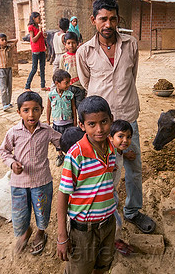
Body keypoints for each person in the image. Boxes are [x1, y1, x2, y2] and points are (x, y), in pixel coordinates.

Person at [77, 0, 155, 234]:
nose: (108, 24)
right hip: (103, 126)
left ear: (118, 19)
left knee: (134, 166)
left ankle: (132, 211)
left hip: (128, 118)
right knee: (106, 171)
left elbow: (132, 76)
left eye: (112, 19)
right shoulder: (84, 52)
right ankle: (109, 216)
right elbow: (85, 82)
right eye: (103, 19)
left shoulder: (131, 44)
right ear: (93, 20)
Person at [57, 95, 117, 274]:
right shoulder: (76, 155)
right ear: (82, 126)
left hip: (108, 224)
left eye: (104, 122)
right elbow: (63, 195)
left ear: (111, 120)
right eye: (92, 124)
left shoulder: (111, 148)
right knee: (80, 270)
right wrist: (62, 236)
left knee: (103, 265)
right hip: (84, 230)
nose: (99, 129)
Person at [0, 91, 62, 255]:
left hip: (42, 181)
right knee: (20, 212)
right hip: (19, 183)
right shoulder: (13, 132)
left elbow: (62, 142)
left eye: (35, 109)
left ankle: (41, 233)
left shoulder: (47, 130)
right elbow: (4, 151)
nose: (31, 114)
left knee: (42, 210)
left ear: (42, 110)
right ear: (18, 112)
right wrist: (12, 164)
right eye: (26, 110)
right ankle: (26, 231)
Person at [109, 120, 135, 256]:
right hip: (105, 194)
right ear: (110, 137)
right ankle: (115, 241)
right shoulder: (108, 154)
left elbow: (118, 154)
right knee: (117, 222)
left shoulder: (118, 151)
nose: (125, 140)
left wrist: (125, 155)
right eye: (121, 136)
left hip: (112, 191)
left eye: (128, 137)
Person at [47, 69, 76, 166]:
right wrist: (48, 120)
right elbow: (48, 107)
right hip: (57, 123)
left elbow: (73, 107)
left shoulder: (70, 95)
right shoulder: (51, 95)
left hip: (69, 122)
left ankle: (70, 156)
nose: (68, 85)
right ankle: (60, 155)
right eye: (66, 83)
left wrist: (75, 121)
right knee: (57, 140)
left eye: (69, 82)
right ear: (57, 83)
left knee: (70, 139)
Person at [59, 32, 86, 109]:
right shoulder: (63, 57)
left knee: (80, 108)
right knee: (69, 108)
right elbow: (61, 73)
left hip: (80, 87)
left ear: (77, 43)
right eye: (69, 43)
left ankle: (80, 121)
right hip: (68, 87)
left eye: (73, 43)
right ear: (65, 44)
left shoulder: (80, 55)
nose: (71, 45)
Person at [25, 12, 49, 91]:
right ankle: (27, 86)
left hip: (42, 49)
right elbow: (33, 39)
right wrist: (39, 32)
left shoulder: (38, 27)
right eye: (39, 18)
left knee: (42, 68)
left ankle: (43, 85)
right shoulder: (31, 27)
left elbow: (41, 38)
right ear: (34, 18)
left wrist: (44, 35)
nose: (40, 20)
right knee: (34, 68)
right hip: (36, 50)